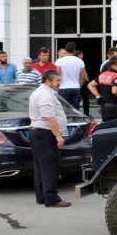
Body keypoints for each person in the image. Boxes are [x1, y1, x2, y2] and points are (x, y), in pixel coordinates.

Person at [28, 69, 71, 208]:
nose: (60, 83)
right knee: (50, 166)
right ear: (48, 81)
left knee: (41, 166)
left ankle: (42, 196)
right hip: (45, 134)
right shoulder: (45, 95)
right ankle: (52, 198)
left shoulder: (45, 93)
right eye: (57, 80)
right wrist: (58, 135)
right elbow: (49, 117)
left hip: (40, 133)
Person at [88, 57, 117, 121]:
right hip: (115, 107)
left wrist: (98, 96)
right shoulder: (116, 76)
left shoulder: (103, 74)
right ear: (113, 66)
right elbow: (115, 91)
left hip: (104, 107)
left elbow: (90, 85)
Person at [54, 42, 86, 110]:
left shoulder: (59, 61)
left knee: (64, 109)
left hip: (63, 87)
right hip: (76, 87)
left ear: (66, 49)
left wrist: (57, 86)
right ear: (74, 50)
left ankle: (66, 121)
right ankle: (75, 120)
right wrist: (79, 85)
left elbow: (57, 75)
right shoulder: (80, 61)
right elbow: (83, 76)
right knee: (75, 110)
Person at [75, 50, 91, 116]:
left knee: (86, 99)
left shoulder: (81, 62)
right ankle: (78, 114)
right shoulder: (76, 62)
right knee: (78, 99)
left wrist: (87, 80)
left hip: (84, 82)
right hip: (79, 82)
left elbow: (84, 73)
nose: (82, 56)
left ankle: (86, 113)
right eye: (82, 55)